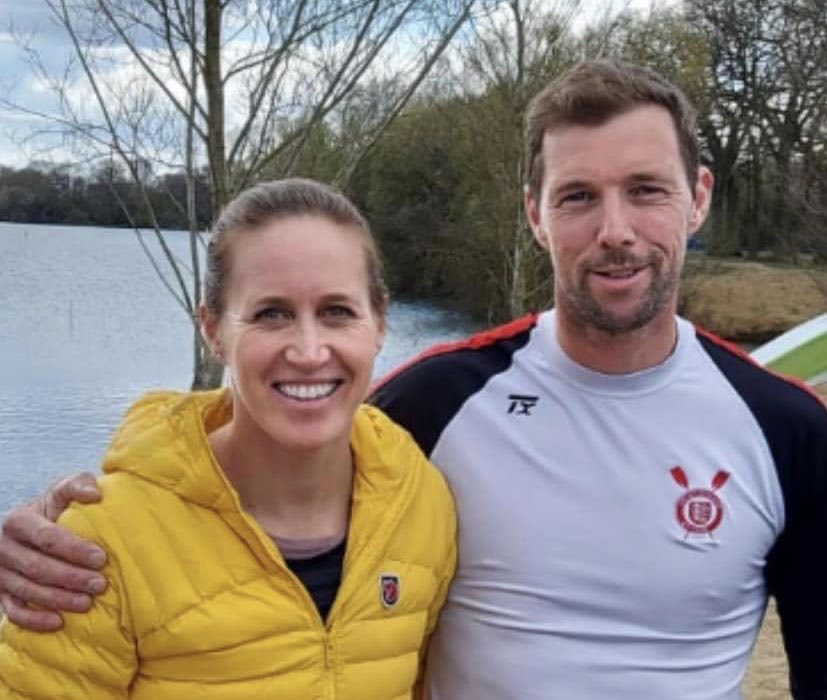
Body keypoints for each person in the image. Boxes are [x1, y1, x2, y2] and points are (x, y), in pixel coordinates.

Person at [2, 59, 827, 699]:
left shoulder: (787, 429)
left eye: (645, 190)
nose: (614, 230)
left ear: (697, 199)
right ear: (534, 214)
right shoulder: (435, 402)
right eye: (577, 196)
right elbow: (268, 431)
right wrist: (54, 523)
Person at [0, 179, 457, 698]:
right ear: (213, 330)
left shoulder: (422, 504)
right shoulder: (98, 544)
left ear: (378, 323)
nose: (309, 351)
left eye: (337, 311)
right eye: (271, 314)